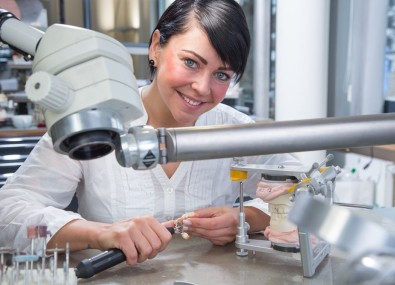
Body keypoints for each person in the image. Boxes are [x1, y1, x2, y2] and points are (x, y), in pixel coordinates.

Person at [0, 0, 298, 266]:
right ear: (156, 46)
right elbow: (7, 215)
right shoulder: (94, 117)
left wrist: (246, 218)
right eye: (191, 62)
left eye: (221, 75)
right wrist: (99, 233)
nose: (202, 88)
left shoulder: (235, 131)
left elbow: (305, 188)